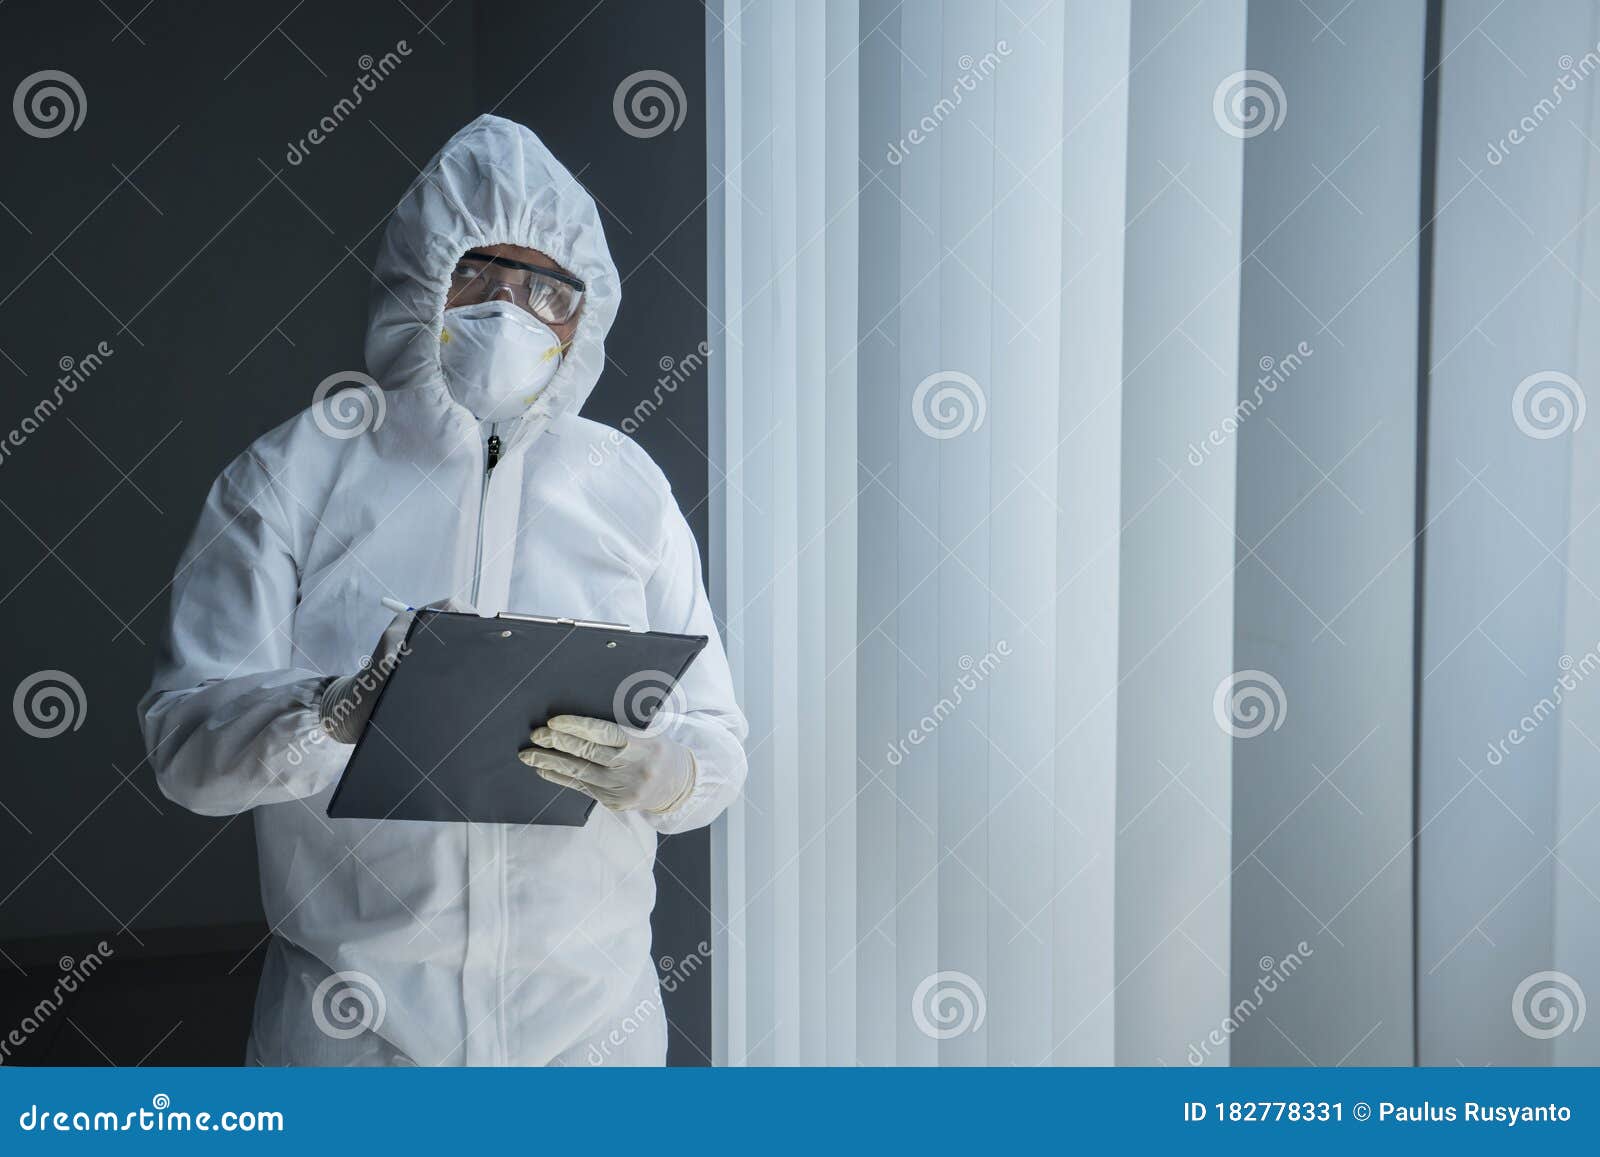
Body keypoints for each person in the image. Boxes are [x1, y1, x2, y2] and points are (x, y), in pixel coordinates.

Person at [138, 115, 747, 1066]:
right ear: (419, 276)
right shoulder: (293, 476)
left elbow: (716, 734)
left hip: (594, 1028)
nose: (509, 310)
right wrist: (327, 717)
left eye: (546, 287)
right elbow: (185, 745)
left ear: (582, 315)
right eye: (477, 274)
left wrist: (667, 773)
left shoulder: (627, 490)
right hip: (357, 1032)